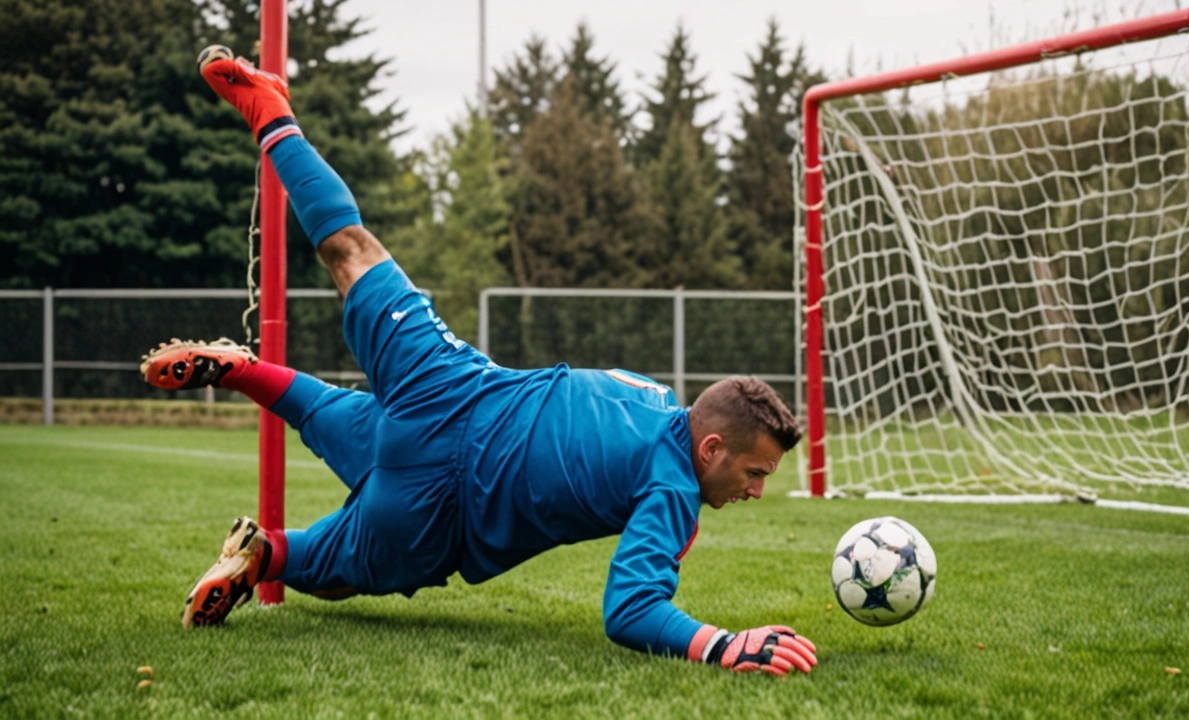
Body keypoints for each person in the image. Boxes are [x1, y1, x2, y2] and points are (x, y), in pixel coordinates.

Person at [140, 48, 817, 678]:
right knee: (343, 571)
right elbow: (630, 612)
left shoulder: (650, 396)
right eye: (755, 473)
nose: (756, 491)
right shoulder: (672, 486)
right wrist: (727, 645)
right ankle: (264, 556)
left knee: (350, 253)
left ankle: (270, 123)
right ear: (713, 445)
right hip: (438, 511)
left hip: (449, 390)